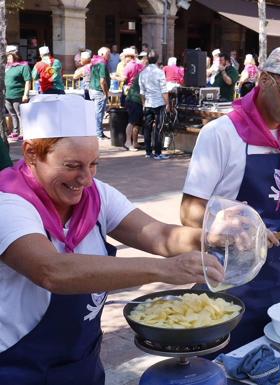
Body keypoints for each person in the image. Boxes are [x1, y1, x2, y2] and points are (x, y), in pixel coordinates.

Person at [0, 95, 224, 384]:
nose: (86, 178)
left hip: (82, 364)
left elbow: (158, 234)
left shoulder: (97, 196)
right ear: (31, 153)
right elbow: (52, 270)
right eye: (72, 165)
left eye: (94, 163)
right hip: (19, 370)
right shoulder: (9, 204)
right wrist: (167, 269)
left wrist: (216, 237)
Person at [180, 46, 280, 352]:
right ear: (264, 80)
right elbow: (189, 212)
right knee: (231, 359)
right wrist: (246, 228)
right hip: (231, 274)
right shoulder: (221, 134)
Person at [139, 50, 169, 160]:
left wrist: (143, 103)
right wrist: (167, 104)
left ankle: (148, 151)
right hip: (159, 103)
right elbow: (164, 90)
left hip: (148, 103)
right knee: (159, 128)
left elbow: (142, 91)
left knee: (147, 129)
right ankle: (158, 152)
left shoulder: (143, 73)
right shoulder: (159, 72)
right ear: (157, 59)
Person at [4, 45, 31, 141]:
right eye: (7, 57)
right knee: (12, 114)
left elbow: (28, 80)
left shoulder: (23, 66)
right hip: (7, 95)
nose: (8, 59)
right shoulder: (6, 67)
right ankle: (15, 131)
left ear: (15, 56)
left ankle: (23, 132)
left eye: (9, 57)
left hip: (18, 94)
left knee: (20, 114)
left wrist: (25, 94)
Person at [123, 51, 148, 151]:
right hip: (134, 100)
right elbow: (143, 91)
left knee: (137, 122)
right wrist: (144, 103)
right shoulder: (144, 74)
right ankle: (128, 142)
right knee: (132, 121)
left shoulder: (144, 72)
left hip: (134, 99)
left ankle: (135, 142)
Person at [88, 47, 111, 140]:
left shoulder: (94, 61)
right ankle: (98, 133)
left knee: (97, 112)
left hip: (93, 89)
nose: (109, 56)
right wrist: (106, 93)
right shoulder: (102, 63)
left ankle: (98, 132)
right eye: (108, 54)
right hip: (99, 91)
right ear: (102, 54)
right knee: (99, 113)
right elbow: (102, 80)